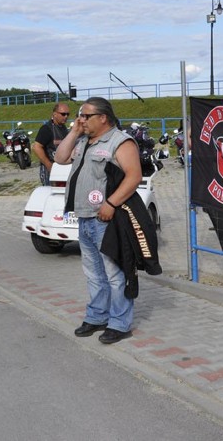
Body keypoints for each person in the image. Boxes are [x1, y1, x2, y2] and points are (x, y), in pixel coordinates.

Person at [54, 97, 142, 345]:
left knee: (115, 274)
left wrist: (111, 203)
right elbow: (60, 158)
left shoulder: (119, 142)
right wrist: (73, 132)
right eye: (79, 115)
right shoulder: (82, 140)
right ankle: (97, 317)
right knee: (93, 274)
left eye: (85, 116)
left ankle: (120, 323)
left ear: (103, 118)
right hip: (84, 217)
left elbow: (134, 176)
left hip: (106, 219)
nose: (80, 119)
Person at [32, 102, 71, 185]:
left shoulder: (64, 128)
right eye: (63, 114)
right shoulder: (46, 129)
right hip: (50, 168)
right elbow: (36, 147)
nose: (66, 116)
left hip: (62, 167)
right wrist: (48, 165)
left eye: (68, 114)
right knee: (52, 193)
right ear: (54, 114)